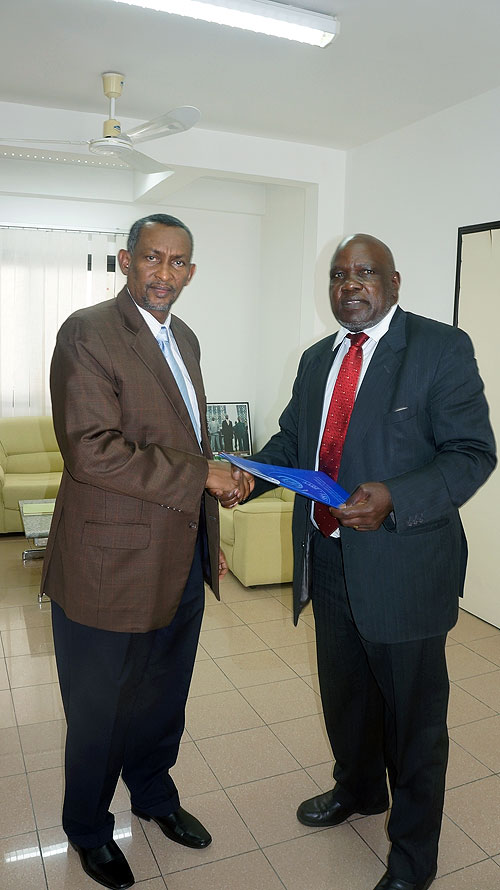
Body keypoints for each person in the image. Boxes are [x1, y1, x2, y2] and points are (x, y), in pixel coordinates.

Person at [246, 234, 496, 890]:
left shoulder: (440, 348)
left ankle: (413, 858)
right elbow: (294, 442)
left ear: (393, 282)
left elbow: (472, 453)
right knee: (346, 697)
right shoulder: (316, 360)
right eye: (338, 275)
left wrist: (395, 498)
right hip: (329, 558)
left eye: (364, 273)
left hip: (405, 568)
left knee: (414, 721)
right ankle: (358, 789)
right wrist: (250, 477)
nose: (349, 285)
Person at [40, 213, 253, 890]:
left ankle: (155, 796)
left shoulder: (183, 337)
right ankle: (88, 829)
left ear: (191, 270)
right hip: (109, 566)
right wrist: (202, 476)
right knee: (101, 711)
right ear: (126, 261)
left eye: (179, 262)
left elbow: (186, 441)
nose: (166, 273)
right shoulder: (87, 332)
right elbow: (92, 451)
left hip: (178, 558)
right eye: (153, 258)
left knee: (164, 697)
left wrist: (208, 526)